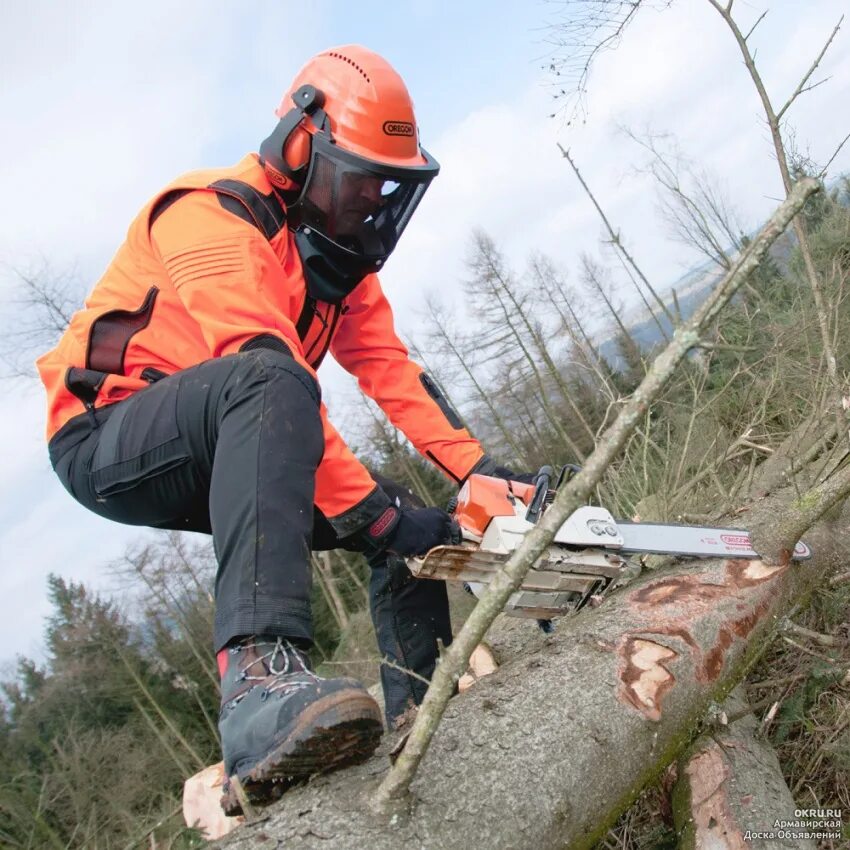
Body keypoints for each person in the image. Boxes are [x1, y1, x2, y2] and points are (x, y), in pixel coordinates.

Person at [36, 45, 531, 807]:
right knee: (293, 407)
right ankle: (258, 690)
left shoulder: (336, 265)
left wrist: (479, 472)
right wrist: (375, 515)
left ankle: (421, 711)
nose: (371, 197)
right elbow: (264, 364)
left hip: (237, 437)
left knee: (411, 522)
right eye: (358, 174)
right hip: (109, 437)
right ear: (302, 142)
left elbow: (389, 369)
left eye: (385, 181)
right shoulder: (211, 214)